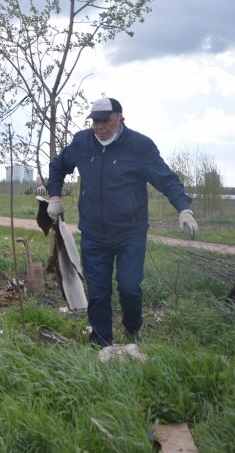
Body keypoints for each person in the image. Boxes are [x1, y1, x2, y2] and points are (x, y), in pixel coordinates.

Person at [46, 97, 198, 347]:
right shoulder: (82, 142)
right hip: (94, 233)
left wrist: (184, 209)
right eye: (95, 121)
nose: (100, 126)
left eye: (106, 120)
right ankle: (101, 342)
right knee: (98, 291)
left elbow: (166, 179)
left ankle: (132, 329)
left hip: (130, 233)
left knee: (128, 287)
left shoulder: (139, 146)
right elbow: (58, 165)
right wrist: (54, 197)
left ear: (120, 119)